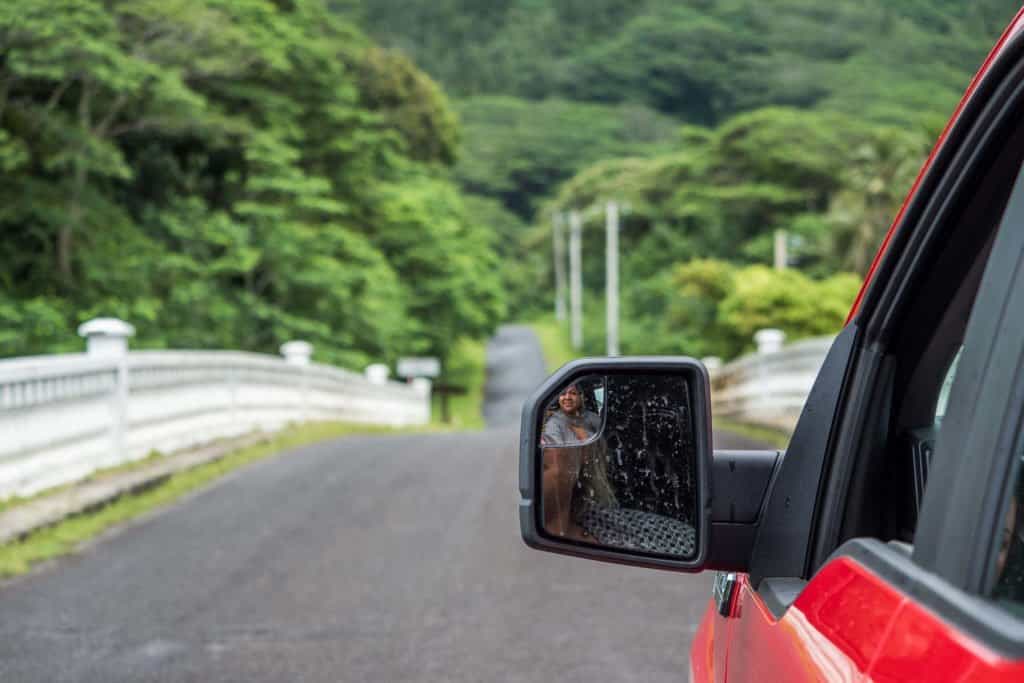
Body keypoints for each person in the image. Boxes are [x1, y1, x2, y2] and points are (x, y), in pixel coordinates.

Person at [541, 382, 613, 538]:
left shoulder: (593, 419)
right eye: (563, 394)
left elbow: (605, 448)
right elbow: (557, 457)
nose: (567, 397)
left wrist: (584, 436)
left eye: (572, 393)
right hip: (576, 479)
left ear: (582, 397)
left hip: (595, 474)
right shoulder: (555, 423)